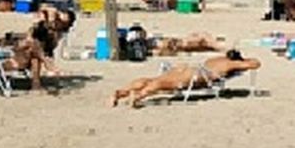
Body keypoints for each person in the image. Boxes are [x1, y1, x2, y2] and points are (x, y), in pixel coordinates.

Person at [111, 51, 262, 108]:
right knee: (160, 84)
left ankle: (120, 93)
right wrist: (243, 60)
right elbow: (255, 64)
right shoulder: (231, 64)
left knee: (153, 79)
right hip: (194, 76)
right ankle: (137, 96)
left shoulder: (218, 59)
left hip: (188, 68)